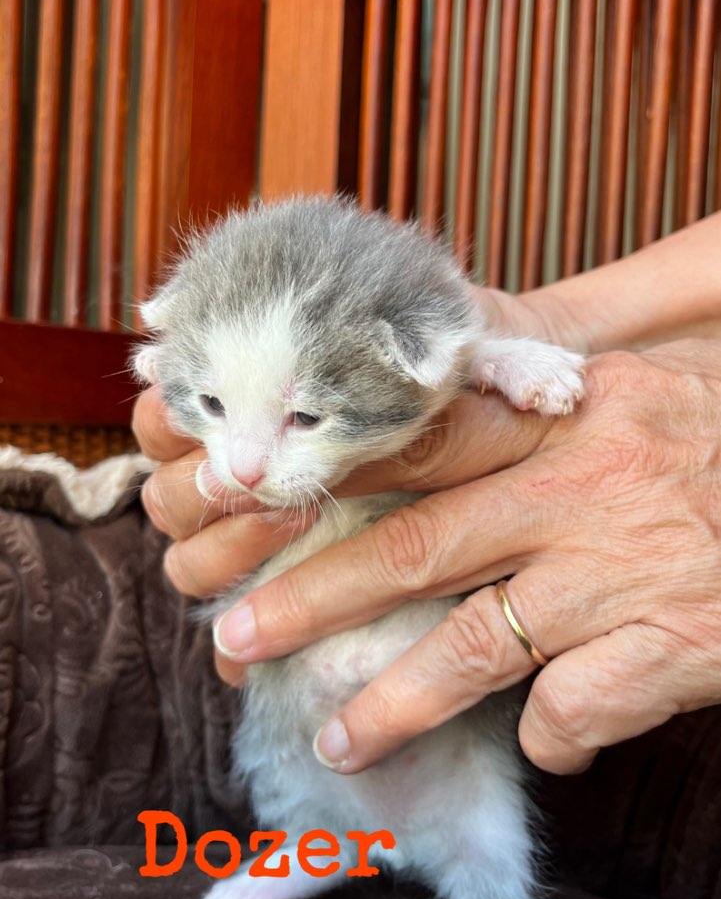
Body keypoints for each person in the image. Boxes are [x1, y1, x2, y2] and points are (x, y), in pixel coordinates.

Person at [133, 211, 721, 779]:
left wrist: (486, 358)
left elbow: (439, 356)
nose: (245, 469)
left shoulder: (416, 349)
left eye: (307, 415)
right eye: (215, 405)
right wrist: (544, 322)